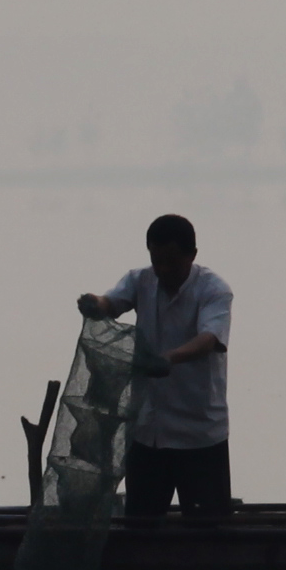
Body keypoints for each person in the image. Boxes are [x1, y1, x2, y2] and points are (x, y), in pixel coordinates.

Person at [79, 213, 235, 518]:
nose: (163, 270)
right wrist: (94, 303)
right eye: (156, 260)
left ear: (192, 256)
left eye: (172, 263)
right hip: (148, 430)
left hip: (200, 433)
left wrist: (169, 358)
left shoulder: (214, 290)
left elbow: (208, 339)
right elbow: (112, 303)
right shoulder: (140, 280)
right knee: (141, 525)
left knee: (210, 531)